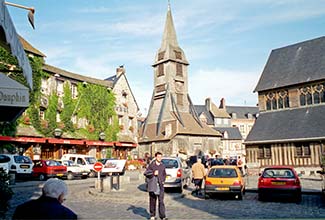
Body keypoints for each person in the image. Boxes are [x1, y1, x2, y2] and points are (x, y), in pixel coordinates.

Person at [13, 178, 77, 219]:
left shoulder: (21, 209)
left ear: (43, 191)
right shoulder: (68, 215)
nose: (63, 200)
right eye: (63, 198)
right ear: (60, 196)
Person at [144, 152, 167, 220]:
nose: (159, 158)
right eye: (158, 157)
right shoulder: (152, 165)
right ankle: (152, 215)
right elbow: (146, 173)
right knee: (152, 201)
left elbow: (164, 174)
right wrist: (153, 173)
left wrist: (163, 180)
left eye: (160, 157)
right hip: (153, 186)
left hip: (160, 186)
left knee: (161, 201)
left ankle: (162, 216)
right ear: (156, 157)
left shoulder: (162, 165)